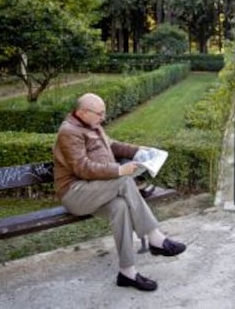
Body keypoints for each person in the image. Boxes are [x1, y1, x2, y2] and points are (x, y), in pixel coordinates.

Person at [53, 93, 186, 292]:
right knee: (124, 179)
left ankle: (127, 272)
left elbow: (112, 145)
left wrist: (140, 151)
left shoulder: (92, 125)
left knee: (120, 207)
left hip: (96, 190)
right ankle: (155, 237)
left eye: (103, 113)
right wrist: (118, 170)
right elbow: (82, 168)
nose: (103, 117)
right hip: (76, 193)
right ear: (82, 112)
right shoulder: (69, 132)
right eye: (100, 113)